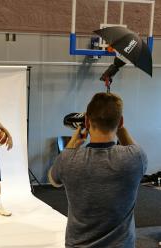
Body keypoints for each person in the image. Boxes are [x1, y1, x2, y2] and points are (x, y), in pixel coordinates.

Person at [48, 92, 147, 248]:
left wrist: (74, 141)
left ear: (87, 121)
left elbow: (53, 180)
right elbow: (131, 146)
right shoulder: (135, 158)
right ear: (120, 122)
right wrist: (120, 128)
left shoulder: (68, 158)